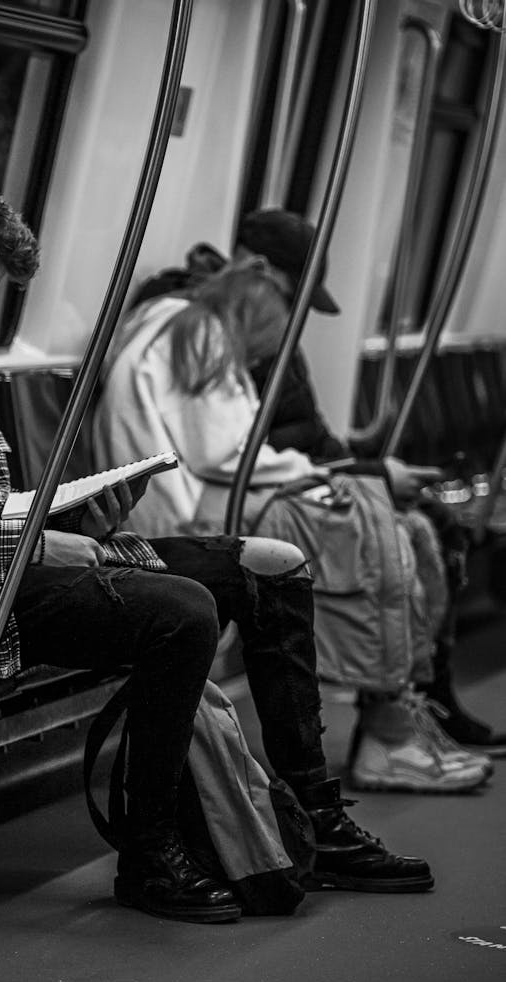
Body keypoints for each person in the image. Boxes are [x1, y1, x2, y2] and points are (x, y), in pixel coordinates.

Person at [0, 175, 435, 926]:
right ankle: (151, 854)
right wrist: (30, 546)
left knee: (266, 568)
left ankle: (316, 819)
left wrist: (80, 519)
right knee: (182, 614)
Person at [93, 250, 492, 794]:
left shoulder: (176, 323)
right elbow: (223, 450)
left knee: (393, 525)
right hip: (184, 507)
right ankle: (387, 734)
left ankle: (396, 717)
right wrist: (309, 472)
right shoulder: (198, 333)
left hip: (198, 492)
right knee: (366, 526)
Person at [236, 207, 506, 758]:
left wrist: (362, 455)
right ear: (258, 270)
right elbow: (257, 455)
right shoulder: (244, 335)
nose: (292, 311)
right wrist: (375, 473)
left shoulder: (270, 334)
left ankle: (422, 694)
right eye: (290, 292)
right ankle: (399, 710)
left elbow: (303, 436)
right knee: (413, 530)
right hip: (290, 492)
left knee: (433, 522)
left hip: (312, 476)